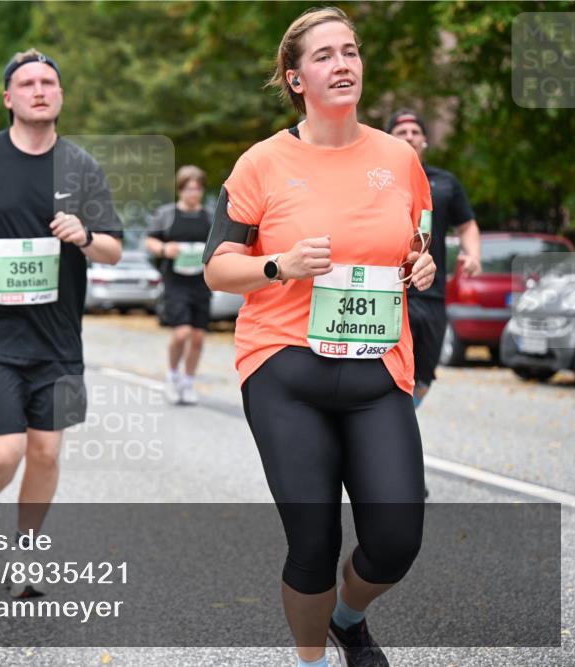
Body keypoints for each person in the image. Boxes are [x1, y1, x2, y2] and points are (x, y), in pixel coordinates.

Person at [202, 8, 437, 667]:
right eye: (325, 55)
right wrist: (278, 264)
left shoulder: (400, 159)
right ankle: (312, 658)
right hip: (284, 367)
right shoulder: (262, 163)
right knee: (313, 538)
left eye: (351, 51)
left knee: (396, 538)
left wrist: (421, 265)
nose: (343, 64)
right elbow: (217, 267)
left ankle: (347, 617)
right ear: (296, 77)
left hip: (377, 366)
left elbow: (416, 245)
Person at [0, 48, 123, 598]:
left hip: (58, 337)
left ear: (60, 95)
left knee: (45, 452)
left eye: (48, 82)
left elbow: (112, 248)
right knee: (5, 451)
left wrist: (84, 235)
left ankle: (26, 555)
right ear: (8, 98)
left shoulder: (81, 167)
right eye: (27, 83)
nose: (39, 90)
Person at [386, 109, 481, 407]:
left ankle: (401, 416)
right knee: (383, 368)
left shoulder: (445, 182)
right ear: (389, 140)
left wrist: (473, 255)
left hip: (431, 294)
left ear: (425, 140)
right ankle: (383, 426)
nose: (410, 136)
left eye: (415, 131)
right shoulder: (377, 179)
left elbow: (466, 225)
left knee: (424, 374)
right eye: (402, 132)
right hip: (388, 291)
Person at [146, 165, 213, 405]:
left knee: (198, 337)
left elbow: (219, 244)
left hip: (201, 281)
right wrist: (165, 249)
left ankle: (188, 381)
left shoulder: (209, 216)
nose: (193, 193)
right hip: (175, 282)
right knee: (181, 332)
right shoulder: (167, 214)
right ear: (180, 190)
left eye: (197, 189)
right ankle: (172, 376)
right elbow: (150, 240)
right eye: (189, 189)